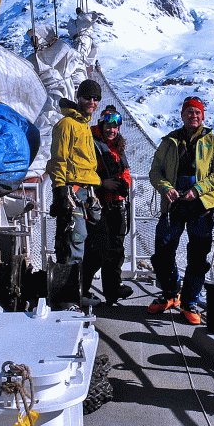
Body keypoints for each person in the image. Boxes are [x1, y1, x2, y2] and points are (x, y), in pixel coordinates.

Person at [147, 96, 214, 325]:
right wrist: (166, 189)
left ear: (203, 116)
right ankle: (170, 293)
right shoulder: (169, 141)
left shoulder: (213, 142)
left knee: (198, 254)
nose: (193, 116)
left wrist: (198, 189)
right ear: (182, 115)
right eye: (189, 112)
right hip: (173, 203)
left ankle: (189, 301)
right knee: (163, 250)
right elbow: (155, 171)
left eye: (197, 112)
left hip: (200, 204)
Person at [45, 78, 102, 310]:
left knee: (90, 244)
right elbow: (59, 160)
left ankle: (77, 293)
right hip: (72, 192)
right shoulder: (67, 125)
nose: (92, 102)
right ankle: (66, 300)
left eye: (96, 98)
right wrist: (60, 191)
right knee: (72, 243)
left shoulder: (84, 125)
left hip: (87, 193)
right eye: (88, 97)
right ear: (78, 97)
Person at [83, 105, 135, 306]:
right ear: (101, 123)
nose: (111, 130)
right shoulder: (91, 143)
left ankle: (112, 290)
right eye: (108, 125)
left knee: (116, 249)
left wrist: (124, 183)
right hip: (98, 203)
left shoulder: (117, 146)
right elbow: (84, 170)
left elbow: (126, 170)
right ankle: (83, 288)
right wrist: (102, 183)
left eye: (115, 126)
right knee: (96, 250)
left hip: (117, 204)